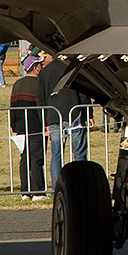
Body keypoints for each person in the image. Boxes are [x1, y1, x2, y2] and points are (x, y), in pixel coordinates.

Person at [38, 53, 89, 187]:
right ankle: (81, 185)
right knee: (79, 153)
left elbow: (40, 98)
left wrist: (43, 120)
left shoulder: (44, 72)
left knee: (56, 154)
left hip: (53, 115)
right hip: (74, 113)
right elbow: (83, 92)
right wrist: (88, 114)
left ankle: (57, 187)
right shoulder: (73, 68)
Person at [9, 54, 47, 198]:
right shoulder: (39, 84)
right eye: (40, 66)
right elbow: (41, 106)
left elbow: (12, 106)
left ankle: (25, 191)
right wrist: (45, 123)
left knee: (25, 158)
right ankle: (38, 191)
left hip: (20, 127)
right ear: (36, 68)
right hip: (36, 126)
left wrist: (14, 127)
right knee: (36, 158)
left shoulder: (18, 83)